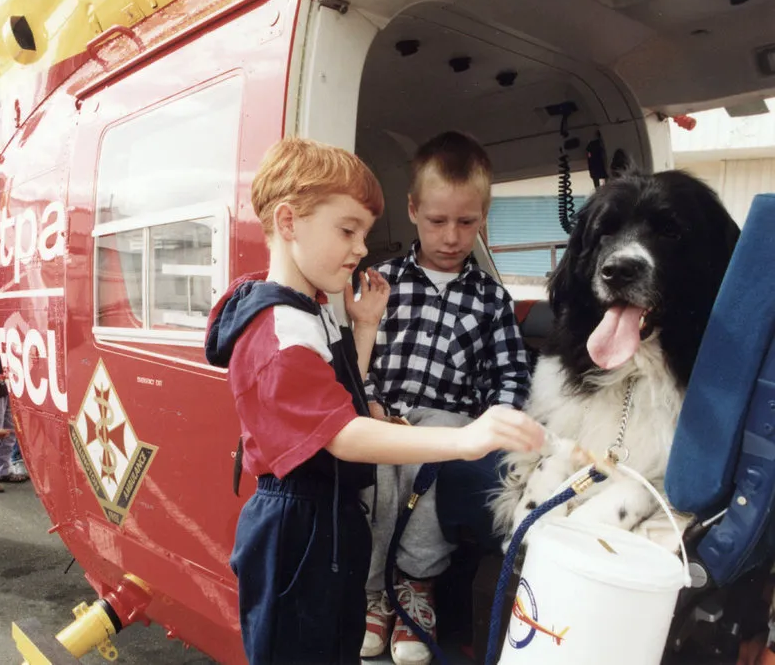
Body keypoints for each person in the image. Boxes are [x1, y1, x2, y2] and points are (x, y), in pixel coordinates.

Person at [204, 137, 543, 665]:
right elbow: (341, 431)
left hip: (328, 514)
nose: (362, 247)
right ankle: (382, 596)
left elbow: (340, 393)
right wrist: (464, 438)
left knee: (332, 644)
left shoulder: (311, 309)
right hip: (298, 522)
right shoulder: (278, 331)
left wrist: (364, 329)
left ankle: (404, 590)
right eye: (348, 231)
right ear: (290, 223)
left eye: (363, 233)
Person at [359, 131, 531, 664]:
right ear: (412, 210)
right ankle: (374, 594)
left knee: (440, 460)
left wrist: (492, 424)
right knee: (377, 482)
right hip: (383, 416)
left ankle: (416, 584)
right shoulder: (380, 282)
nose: (452, 236)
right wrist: (368, 402)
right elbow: (354, 357)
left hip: (452, 423)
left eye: (467, 222)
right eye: (437, 221)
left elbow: (509, 373)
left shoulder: (491, 298)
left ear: (483, 217)